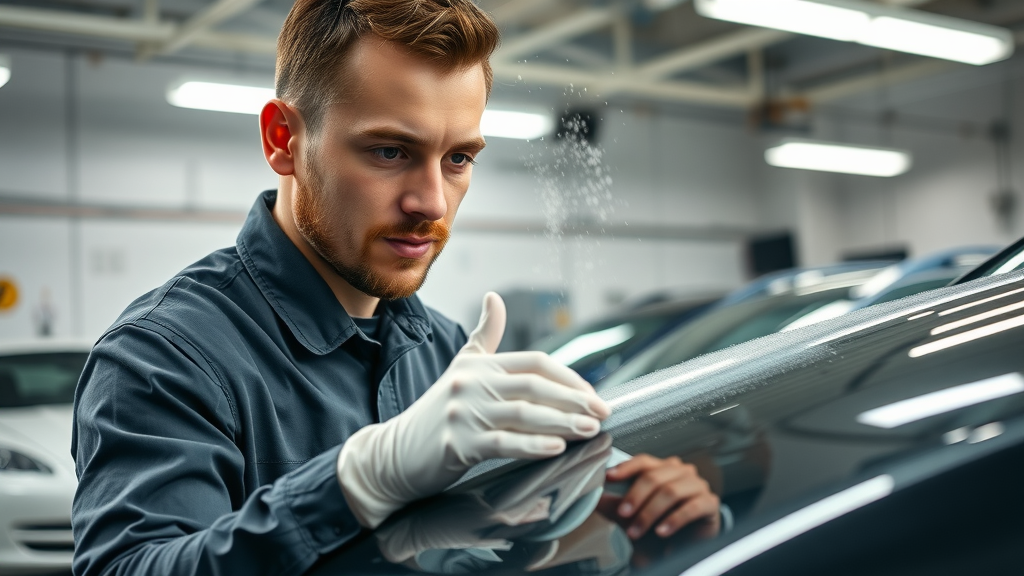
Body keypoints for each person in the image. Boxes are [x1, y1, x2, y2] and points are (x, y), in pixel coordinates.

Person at [71, 2, 719, 575]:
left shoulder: (445, 352)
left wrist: (642, 535)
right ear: (283, 140)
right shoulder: (164, 358)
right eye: (389, 151)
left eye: (458, 158)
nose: (432, 201)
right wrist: (355, 482)